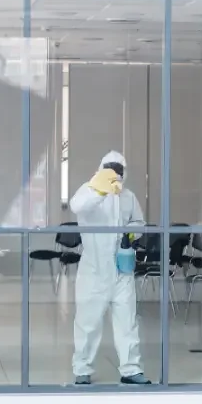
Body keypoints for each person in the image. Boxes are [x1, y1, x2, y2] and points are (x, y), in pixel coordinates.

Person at [70, 151, 150, 385]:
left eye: (119, 170)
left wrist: (131, 233)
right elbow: (77, 206)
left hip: (121, 269)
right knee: (88, 322)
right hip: (93, 270)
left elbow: (139, 223)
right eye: (111, 169)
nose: (116, 174)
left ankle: (131, 369)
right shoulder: (88, 190)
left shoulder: (128, 196)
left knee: (127, 321)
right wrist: (100, 190)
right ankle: (82, 369)